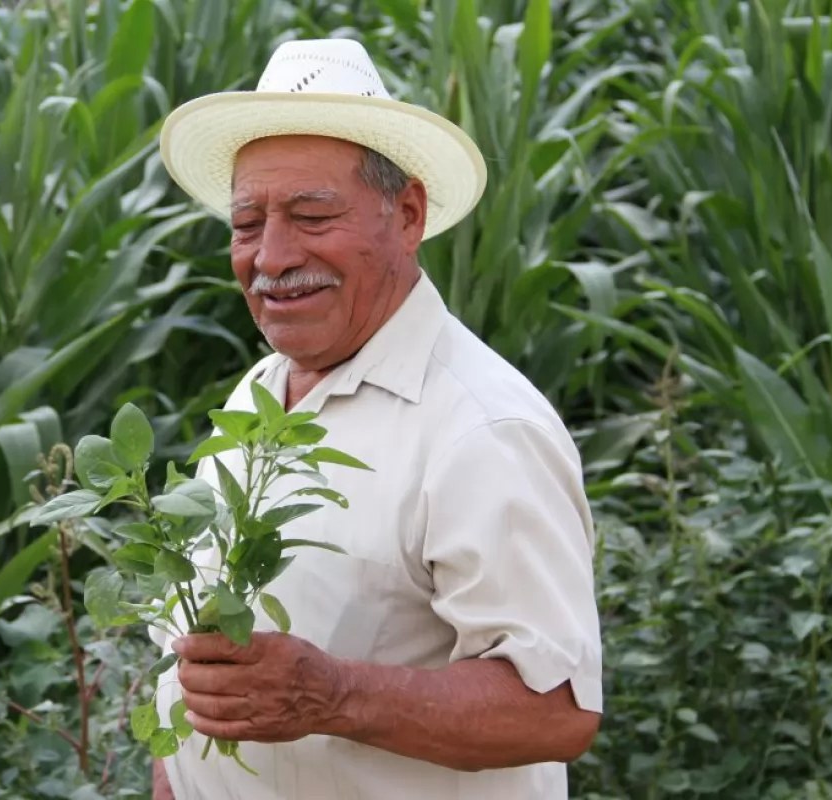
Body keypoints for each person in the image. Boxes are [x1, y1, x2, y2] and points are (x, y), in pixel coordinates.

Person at [149, 37, 603, 799]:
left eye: (313, 214)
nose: (271, 256)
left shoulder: (483, 428)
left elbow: (555, 711)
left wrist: (332, 695)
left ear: (409, 216)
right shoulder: (259, 395)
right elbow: (196, 669)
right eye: (248, 222)